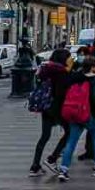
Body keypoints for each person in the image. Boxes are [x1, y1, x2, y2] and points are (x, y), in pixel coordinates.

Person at [58, 57, 95, 181]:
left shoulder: (76, 77)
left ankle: (63, 169)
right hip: (88, 114)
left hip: (74, 113)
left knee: (71, 141)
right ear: (93, 67)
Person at [31, 48, 73, 176]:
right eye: (69, 57)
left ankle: (35, 166)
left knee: (44, 136)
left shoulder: (47, 69)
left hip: (46, 106)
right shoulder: (61, 72)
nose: (71, 59)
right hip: (57, 108)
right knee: (69, 133)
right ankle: (52, 158)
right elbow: (61, 93)